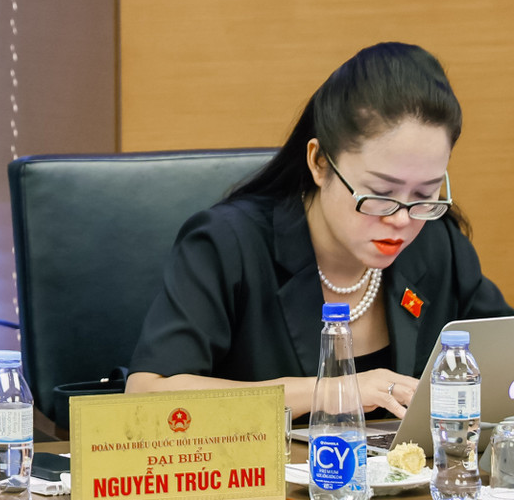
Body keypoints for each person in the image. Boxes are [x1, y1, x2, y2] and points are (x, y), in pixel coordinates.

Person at [125, 42, 512, 418]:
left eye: (425, 194)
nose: (401, 219)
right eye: (380, 193)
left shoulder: (436, 243)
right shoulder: (228, 245)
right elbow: (146, 393)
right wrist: (333, 391)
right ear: (320, 162)